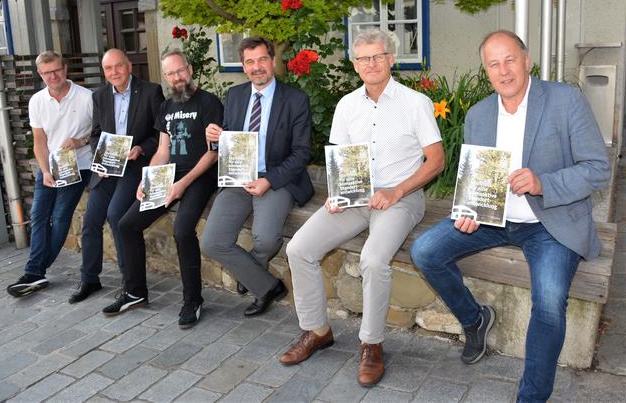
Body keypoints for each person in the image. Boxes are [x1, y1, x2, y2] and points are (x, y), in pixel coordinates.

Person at [410, 30, 610, 402]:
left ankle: (530, 398)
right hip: (493, 218)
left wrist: (542, 182)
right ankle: (475, 320)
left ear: (526, 59)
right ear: (486, 71)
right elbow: (476, 177)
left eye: (510, 60)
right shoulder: (478, 114)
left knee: (549, 302)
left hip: (550, 222)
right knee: (425, 251)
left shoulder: (565, 100)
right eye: (493, 64)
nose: (503, 71)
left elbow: (599, 168)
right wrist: (469, 212)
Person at [280, 28, 445, 387]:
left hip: (401, 199)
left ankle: (371, 344)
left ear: (391, 59)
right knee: (298, 248)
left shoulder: (414, 103)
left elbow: (436, 162)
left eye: (378, 56)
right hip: (355, 198)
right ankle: (317, 331)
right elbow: (341, 158)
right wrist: (336, 192)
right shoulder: (346, 105)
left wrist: (396, 190)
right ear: (355, 65)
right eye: (363, 58)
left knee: (373, 259)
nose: (371, 63)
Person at [101, 50, 223, 329]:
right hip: (169, 175)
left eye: (180, 71)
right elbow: (163, 150)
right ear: (165, 77)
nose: (177, 78)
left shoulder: (209, 103)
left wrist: (182, 184)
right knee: (126, 224)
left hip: (200, 176)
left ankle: (192, 300)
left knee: (182, 229)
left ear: (189, 70)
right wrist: (149, 177)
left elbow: (213, 154)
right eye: (170, 73)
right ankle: (135, 293)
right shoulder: (167, 107)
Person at [201, 36, 314, 317]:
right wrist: (214, 139)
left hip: (278, 178)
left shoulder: (296, 100)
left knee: (265, 240)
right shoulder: (236, 95)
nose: (257, 67)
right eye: (250, 62)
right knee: (212, 241)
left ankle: (253, 273)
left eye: (262, 59)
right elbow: (229, 138)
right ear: (243, 66)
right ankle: (268, 285)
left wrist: (269, 181)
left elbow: (302, 153)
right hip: (239, 176)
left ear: (273, 61)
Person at [70, 49, 164, 304]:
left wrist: (141, 148)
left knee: (116, 215)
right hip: (108, 167)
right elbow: (96, 133)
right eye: (108, 69)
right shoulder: (100, 96)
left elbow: (160, 134)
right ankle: (89, 278)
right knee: (90, 220)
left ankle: (129, 282)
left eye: (118, 66)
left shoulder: (150, 91)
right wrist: (98, 158)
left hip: (135, 165)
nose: (114, 73)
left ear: (129, 66)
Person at [7, 51, 93, 297]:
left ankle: (34, 272)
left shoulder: (87, 97)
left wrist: (80, 141)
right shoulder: (37, 101)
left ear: (65, 69)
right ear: (40, 74)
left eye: (56, 70)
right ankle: (35, 273)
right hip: (51, 167)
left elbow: (99, 133)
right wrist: (44, 171)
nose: (52, 76)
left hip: (80, 166)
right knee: (38, 215)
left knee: (60, 215)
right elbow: (39, 142)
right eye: (47, 73)